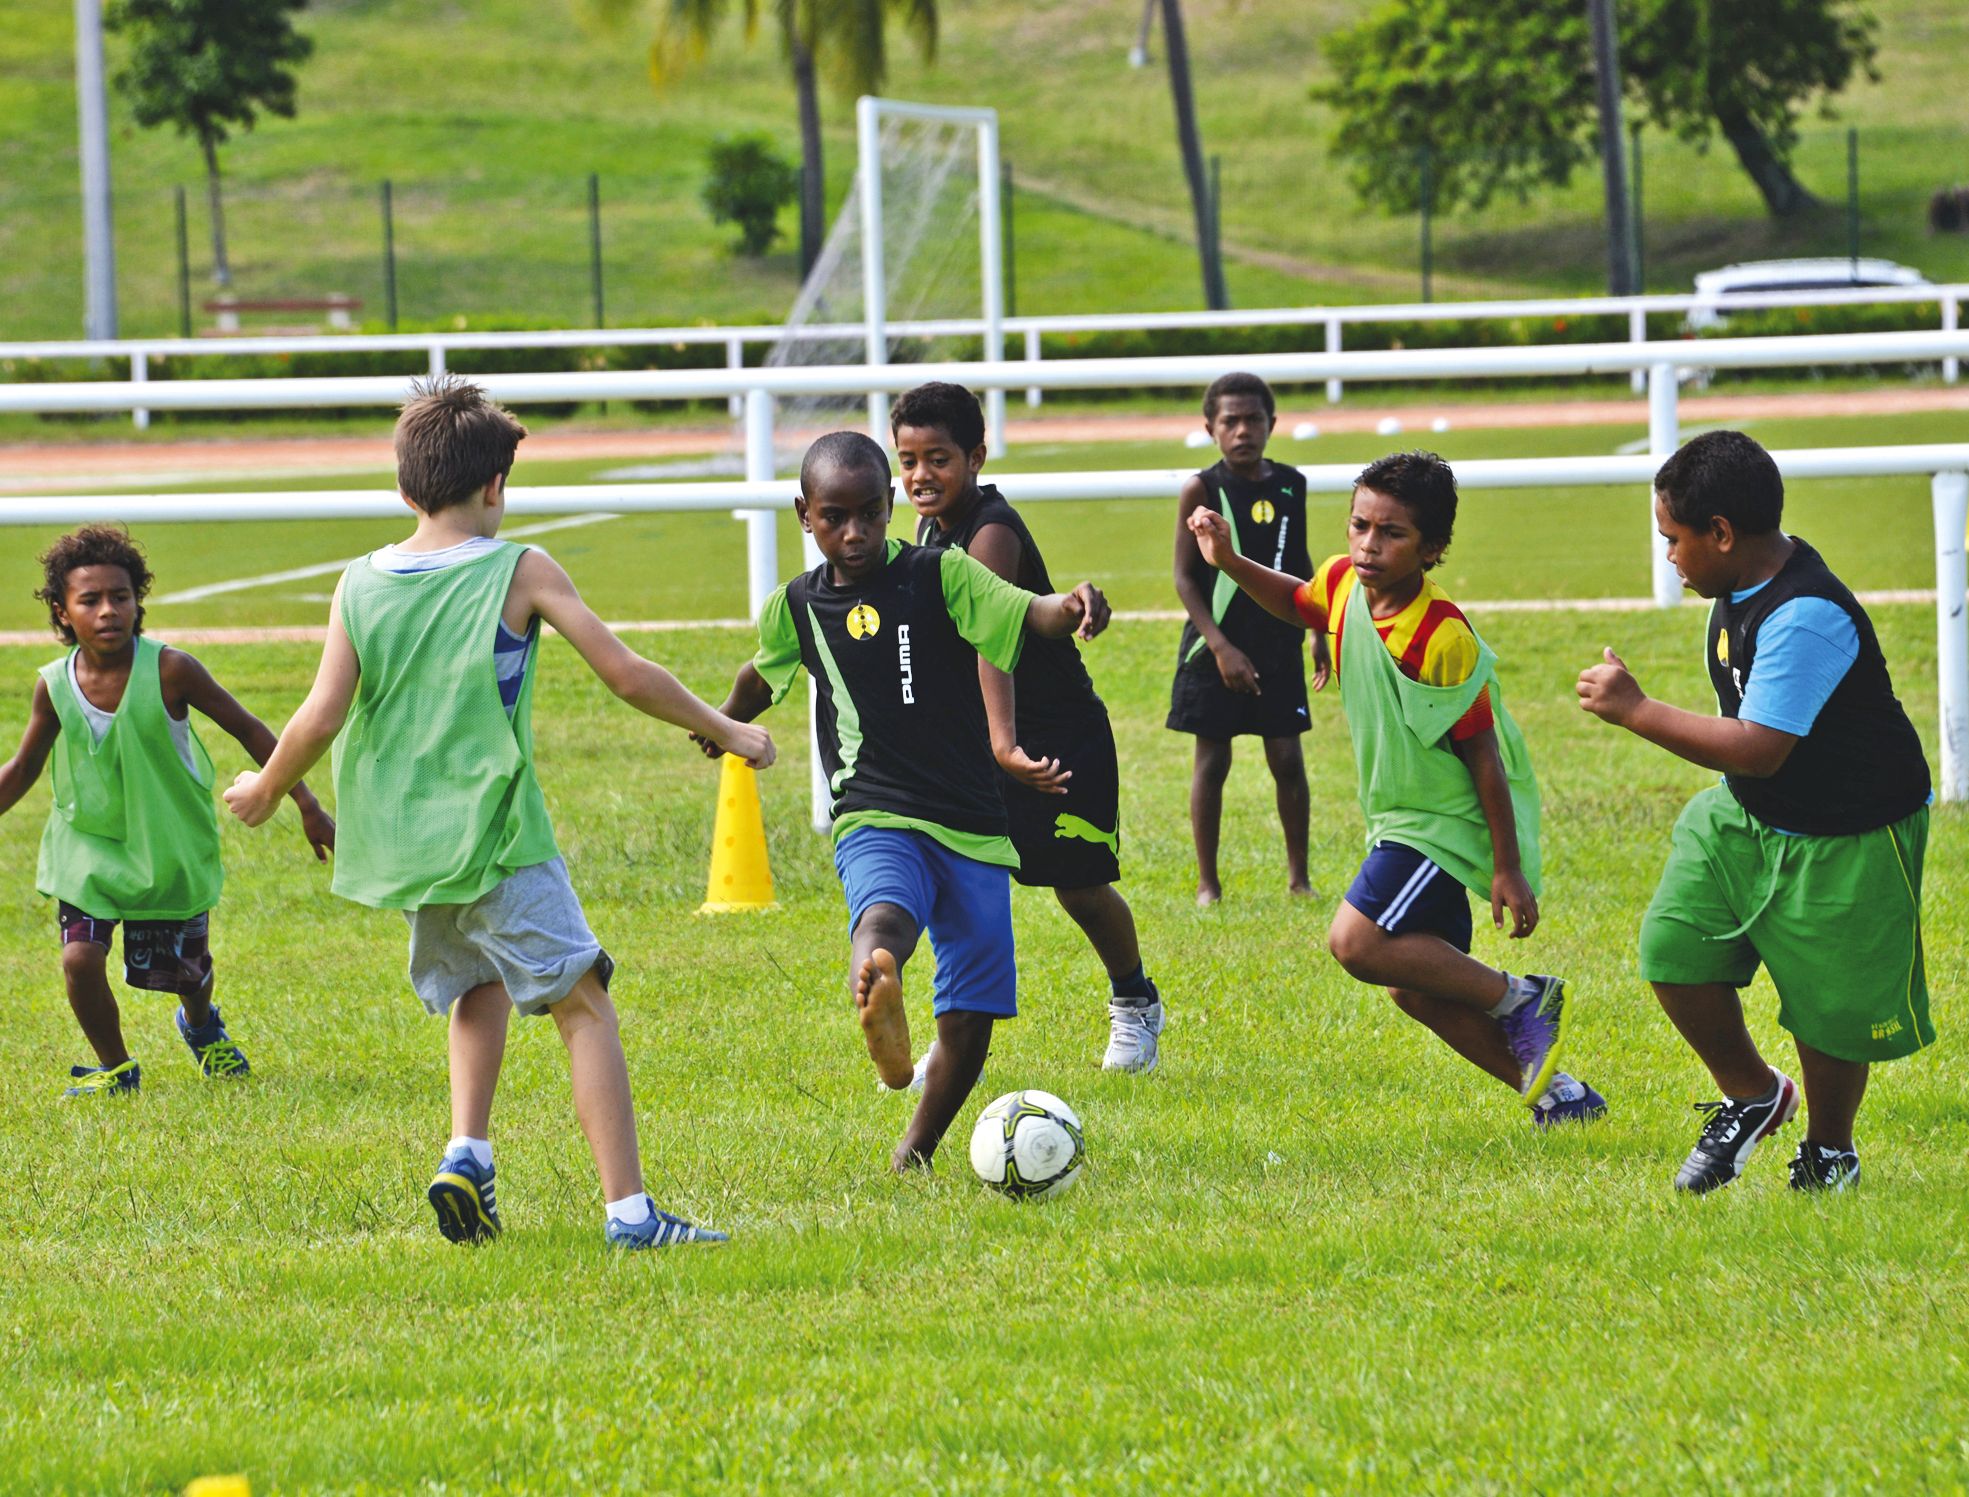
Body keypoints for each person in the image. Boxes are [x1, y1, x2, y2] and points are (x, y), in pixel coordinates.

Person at [222, 375, 772, 1248]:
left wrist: (264, 787)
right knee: (582, 1000)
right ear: (494, 487)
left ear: (405, 489)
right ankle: (631, 1214)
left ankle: (466, 1151)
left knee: (475, 984)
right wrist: (725, 727)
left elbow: (319, 712)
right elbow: (624, 671)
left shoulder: (358, 583)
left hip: (410, 844)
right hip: (496, 834)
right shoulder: (519, 568)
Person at [703, 430, 1110, 1171]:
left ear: (889, 504)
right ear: (804, 514)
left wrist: (1071, 603)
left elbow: (1025, 612)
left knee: (973, 1011)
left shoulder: (940, 573)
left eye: (867, 512)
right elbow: (762, 674)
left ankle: (913, 1150)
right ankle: (877, 975)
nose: (853, 532)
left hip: (973, 820)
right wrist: (726, 722)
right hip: (874, 808)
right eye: (834, 517)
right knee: (884, 911)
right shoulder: (796, 605)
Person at [1190, 450, 1600, 1123]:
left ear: (1431, 548)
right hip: (1397, 818)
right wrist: (1229, 561)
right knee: (1409, 986)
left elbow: (1482, 754)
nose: (1367, 545)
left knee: (1356, 942)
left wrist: (1506, 866)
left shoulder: (1441, 634)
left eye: (1391, 534)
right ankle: (1562, 1099)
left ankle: (1521, 997)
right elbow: (1298, 602)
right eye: (1358, 526)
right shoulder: (1344, 586)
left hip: (1440, 822)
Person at [1578, 430, 1932, 1193]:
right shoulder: (1739, 581)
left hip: (1849, 830)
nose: (1669, 555)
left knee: (1827, 1007)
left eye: (1672, 539)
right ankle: (1751, 1092)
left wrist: (1634, 709)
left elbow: (1757, 745)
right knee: (1672, 948)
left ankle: (1829, 1150)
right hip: (1745, 815)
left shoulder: (1804, 613)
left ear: (1722, 534)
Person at [0, 525, 334, 1098]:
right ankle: (117, 1067)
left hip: (169, 846)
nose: (109, 611)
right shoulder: (52, 687)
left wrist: (303, 802)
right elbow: (24, 768)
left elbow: (249, 729)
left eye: (121, 597)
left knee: (187, 972)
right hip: (89, 847)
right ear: (62, 612)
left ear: (138, 602)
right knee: (79, 959)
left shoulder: (171, 670)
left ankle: (201, 1023)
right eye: (90, 600)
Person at [894, 381, 1163, 1073]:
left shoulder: (990, 532)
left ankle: (1135, 1002)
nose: (922, 475)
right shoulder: (931, 530)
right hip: (988, 738)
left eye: (939, 459)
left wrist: (1005, 743)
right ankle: (956, 1035)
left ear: (976, 456)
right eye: (908, 459)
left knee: (1078, 885)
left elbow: (995, 641)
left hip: (1052, 734)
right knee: (962, 881)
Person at [1169, 372, 1329, 905]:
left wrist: (1317, 628)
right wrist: (1219, 646)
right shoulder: (1202, 488)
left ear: (1272, 424)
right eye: (1230, 421)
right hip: (1215, 648)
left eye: (1253, 420)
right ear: (1210, 428)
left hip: (1277, 643)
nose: (1243, 431)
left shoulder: (1291, 484)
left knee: (1287, 759)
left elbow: (1298, 562)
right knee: (1212, 762)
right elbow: (1186, 577)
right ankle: (1207, 883)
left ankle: (1299, 879)